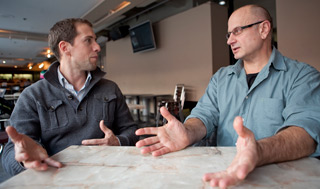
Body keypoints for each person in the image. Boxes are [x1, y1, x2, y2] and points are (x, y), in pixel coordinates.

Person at [135, 4, 320, 188]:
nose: (229, 40)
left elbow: (305, 134)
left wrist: (260, 150)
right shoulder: (221, 78)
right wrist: (188, 131)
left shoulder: (302, 76)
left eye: (237, 31)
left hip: (280, 181)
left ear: (263, 29)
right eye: (228, 34)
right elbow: (203, 115)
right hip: (223, 178)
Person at [2, 18, 139, 176]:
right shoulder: (33, 95)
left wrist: (118, 141)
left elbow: (131, 130)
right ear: (65, 47)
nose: (97, 47)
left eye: (95, 40)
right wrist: (24, 160)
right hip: (55, 178)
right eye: (88, 40)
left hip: (108, 175)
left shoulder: (110, 88)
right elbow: (11, 153)